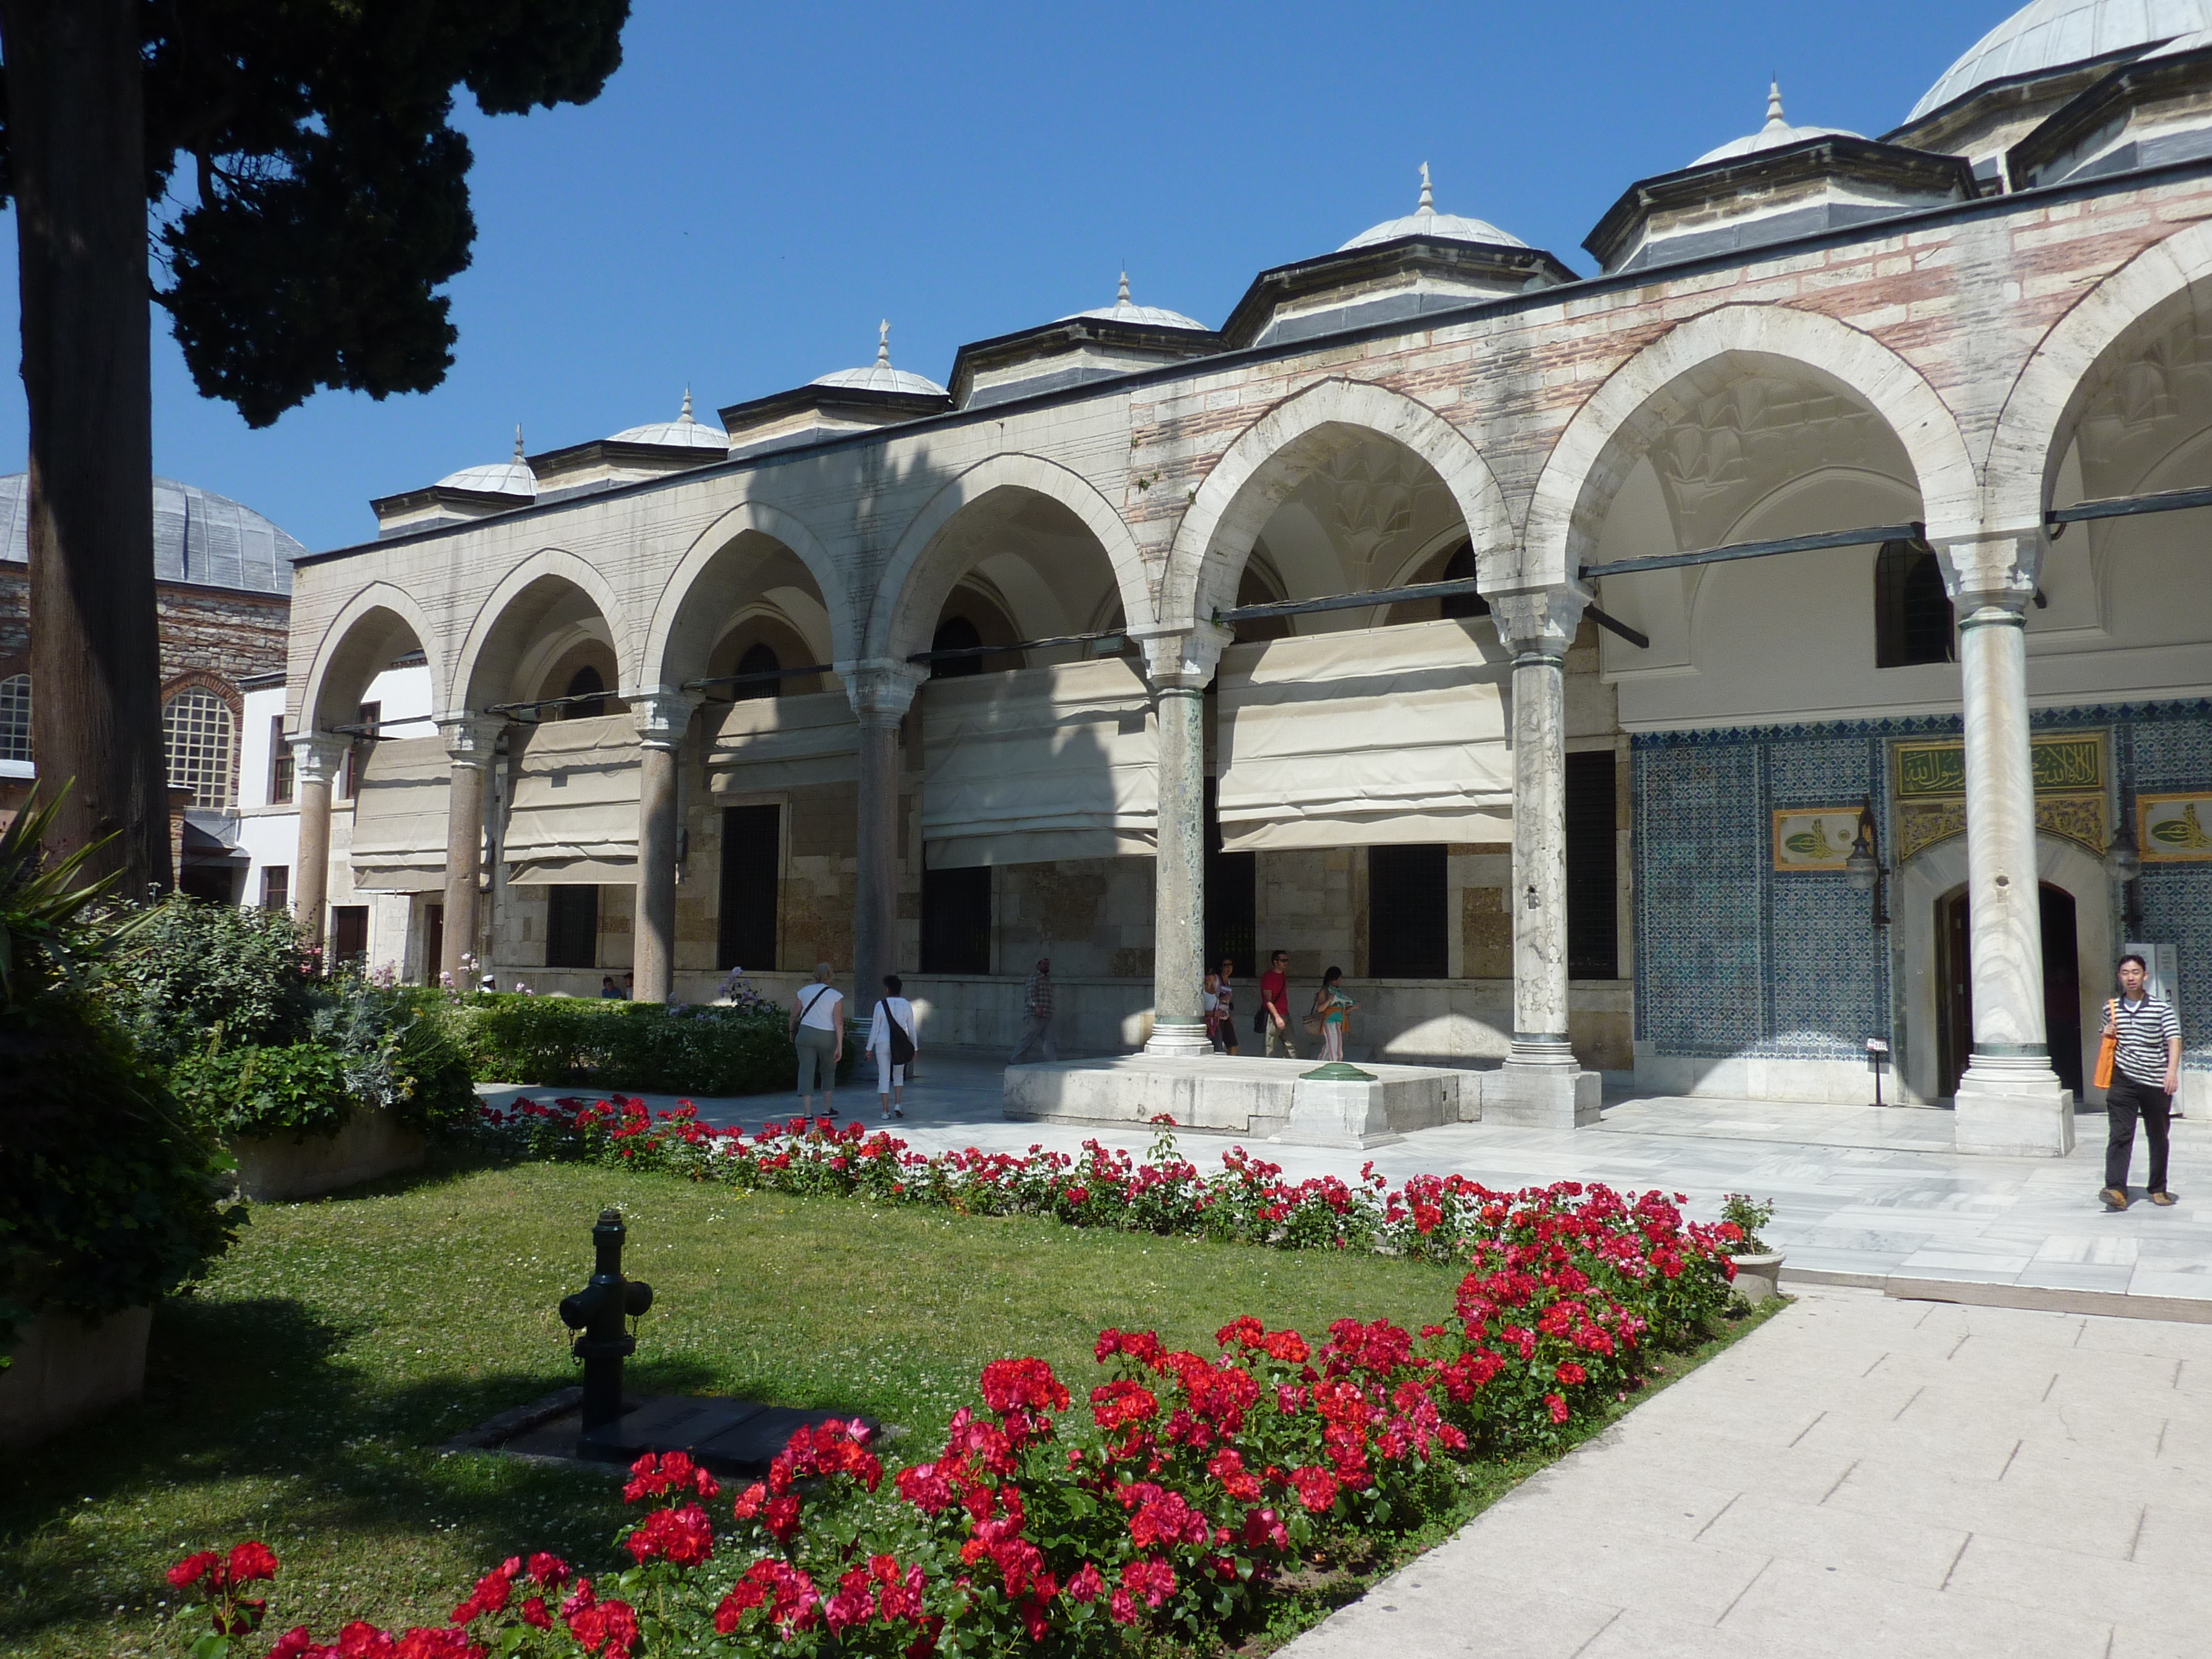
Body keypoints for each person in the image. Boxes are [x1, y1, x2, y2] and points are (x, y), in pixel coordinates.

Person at [2102, 952, 2182, 1210]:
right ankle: (2116, 1189)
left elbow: (2174, 1039)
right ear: (2119, 977)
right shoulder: (2111, 1007)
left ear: (2145, 976)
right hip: (2123, 1079)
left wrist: (2171, 1072)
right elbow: (2107, 1036)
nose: (2130, 978)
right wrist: (2106, 1032)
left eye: (2135, 972)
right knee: (2120, 1134)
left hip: (2155, 1080)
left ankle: (2158, 1188)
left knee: (2158, 1135)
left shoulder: (2161, 1008)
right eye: (2125, 973)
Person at [789, 961, 843, 1116]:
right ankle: (827, 1109)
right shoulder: (836, 996)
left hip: (806, 1034)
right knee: (828, 1071)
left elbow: (794, 1015)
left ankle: (807, 1113)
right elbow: (838, 1022)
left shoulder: (804, 992)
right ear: (831, 976)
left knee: (806, 1071)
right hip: (827, 1035)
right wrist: (840, 1045)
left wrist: (791, 1032)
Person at [869, 973, 917, 1119]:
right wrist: (915, 1047)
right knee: (898, 1074)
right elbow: (912, 1028)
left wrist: (868, 1048)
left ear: (887, 989)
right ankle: (898, 1103)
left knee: (884, 1076)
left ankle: (885, 1111)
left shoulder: (880, 1005)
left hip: (882, 1042)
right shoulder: (907, 1004)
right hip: (900, 1043)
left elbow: (875, 1028)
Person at [1010, 957, 1057, 1062]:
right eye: (1044, 964)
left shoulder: (1047, 980)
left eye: (1048, 964)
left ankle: (1053, 1062)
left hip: (1047, 1015)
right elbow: (1030, 995)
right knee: (1028, 1039)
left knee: (1050, 1041)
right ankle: (1015, 1060)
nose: (1046, 966)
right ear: (1038, 965)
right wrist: (1036, 1007)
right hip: (1035, 1015)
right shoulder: (1034, 978)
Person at [1310, 966, 1356, 1063]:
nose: (1339, 982)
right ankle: (1335, 1065)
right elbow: (1320, 1009)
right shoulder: (1325, 991)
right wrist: (1329, 1000)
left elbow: (1342, 1010)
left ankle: (1318, 1065)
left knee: (1329, 1047)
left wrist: (1353, 1007)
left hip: (1338, 1022)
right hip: (1330, 1022)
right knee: (1335, 1050)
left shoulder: (1338, 992)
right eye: (1338, 979)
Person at [1258, 950, 1297, 1059]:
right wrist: (1277, 1018)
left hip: (1285, 1014)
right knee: (1269, 1047)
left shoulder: (1283, 975)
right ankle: (1265, 1069)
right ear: (1275, 962)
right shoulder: (1268, 977)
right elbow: (1268, 1000)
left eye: (1287, 960)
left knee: (1291, 1044)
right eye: (1283, 960)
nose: (1286, 963)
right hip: (1274, 1016)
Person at [1212, 957, 1242, 1054]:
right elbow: (1210, 998)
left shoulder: (1228, 981)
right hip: (1217, 1017)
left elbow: (1228, 1003)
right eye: (1226, 966)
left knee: (1234, 1046)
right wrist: (1221, 999)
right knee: (1218, 1046)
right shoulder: (1216, 980)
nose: (1229, 968)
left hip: (1226, 1016)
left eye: (1231, 966)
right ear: (1221, 967)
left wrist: (1230, 1018)